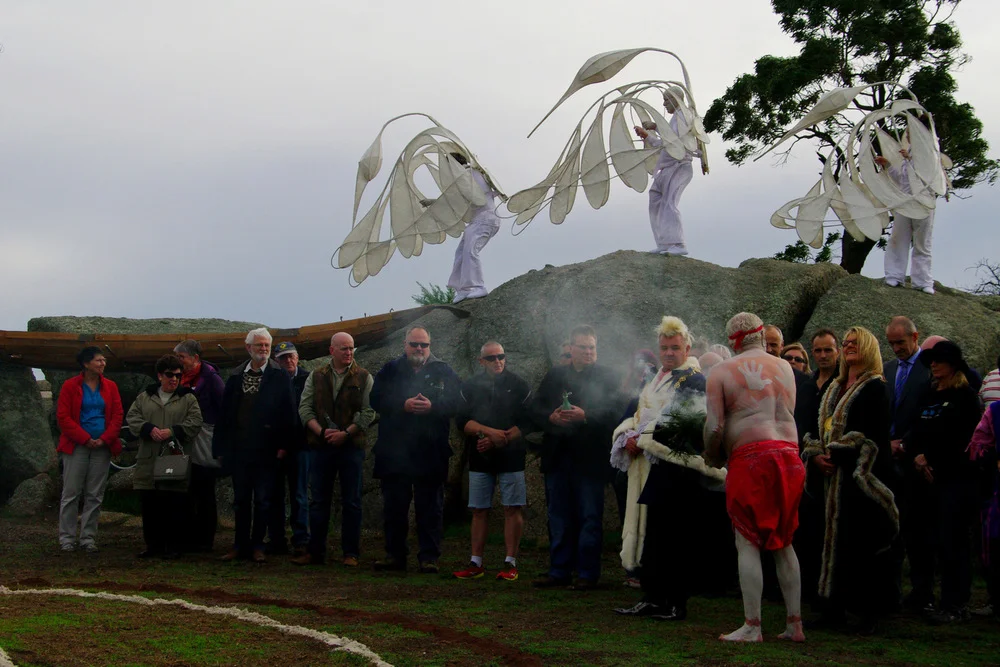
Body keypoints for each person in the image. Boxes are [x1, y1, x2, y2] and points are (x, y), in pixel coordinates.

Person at [613, 316, 728, 621]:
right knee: (655, 537)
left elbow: (686, 424)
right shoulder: (658, 378)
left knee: (677, 540)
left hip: (680, 469)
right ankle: (652, 596)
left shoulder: (695, 379)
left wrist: (644, 438)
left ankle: (676, 602)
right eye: (664, 347)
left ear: (686, 347)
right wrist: (627, 435)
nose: (668, 352)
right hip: (655, 468)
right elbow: (638, 414)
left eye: (674, 347)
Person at [704, 312, 806, 643]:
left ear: (733, 339)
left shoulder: (721, 370)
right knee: (784, 541)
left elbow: (715, 426)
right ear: (761, 336)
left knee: (746, 540)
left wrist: (712, 454)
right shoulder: (786, 368)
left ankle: (752, 625)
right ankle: (794, 624)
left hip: (751, 458)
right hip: (790, 456)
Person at [802, 327, 899, 633]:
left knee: (859, 544)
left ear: (868, 347)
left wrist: (839, 453)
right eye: (846, 344)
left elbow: (873, 434)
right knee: (829, 543)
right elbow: (815, 425)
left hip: (859, 479)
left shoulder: (875, 387)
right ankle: (833, 609)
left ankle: (865, 613)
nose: (849, 347)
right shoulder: (835, 384)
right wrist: (815, 453)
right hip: (831, 479)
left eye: (855, 343)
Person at [531, 324, 624, 590]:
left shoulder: (608, 377)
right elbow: (535, 408)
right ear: (570, 348)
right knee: (558, 516)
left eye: (591, 347)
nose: (587, 352)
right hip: (558, 457)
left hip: (590, 460)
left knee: (589, 517)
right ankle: (559, 570)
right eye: (582, 347)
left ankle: (587, 574)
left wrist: (586, 417)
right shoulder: (555, 375)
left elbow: (616, 412)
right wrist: (550, 416)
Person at [901, 340, 982, 623]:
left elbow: (966, 441)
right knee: (922, 540)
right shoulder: (928, 392)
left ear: (953, 364)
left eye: (939, 360)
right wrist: (916, 455)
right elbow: (915, 430)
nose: (933, 364)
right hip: (923, 479)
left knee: (953, 542)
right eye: (931, 360)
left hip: (954, 480)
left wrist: (931, 458)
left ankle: (955, 604)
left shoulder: (966, 396)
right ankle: (923, 596)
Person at [370, 326, 462, 573]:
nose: (419, 349)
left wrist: (433, 406)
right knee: (394, 507)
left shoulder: (444, 371)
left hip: (431, 451)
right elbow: (374, 399)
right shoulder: (390, 369)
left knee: (430, 508)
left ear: (430, 346)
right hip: (395, 451)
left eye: (424, 345)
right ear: (405, 345)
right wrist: (403, 404)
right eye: (414, 344)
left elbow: (458, 402)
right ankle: (394, 556)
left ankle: (429, 558)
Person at [213, 328, 297, 564]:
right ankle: (239, 545)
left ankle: (258, 546)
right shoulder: (236, 375)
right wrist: (219, 448)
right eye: (259, 345)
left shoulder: (279, 375)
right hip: (239, 449)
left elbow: (288, 412)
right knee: (240, 500)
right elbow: (225, 415)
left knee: (263, 500)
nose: (263, 350)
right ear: (248, 347)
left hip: (267, 449)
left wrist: (284, 445)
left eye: (266, 346)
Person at [293, 332, 375, 567]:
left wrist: (346, 433)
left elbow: (370, 412)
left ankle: (351, 553)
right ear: (332, 351)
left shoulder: (364, 377)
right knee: (318, 501)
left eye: (351, 348)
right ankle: (315, 552)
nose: (349, 352)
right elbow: (304, 408)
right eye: (344, 348)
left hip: (351, 447)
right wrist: (321, 432)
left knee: (352, 501)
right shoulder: (316, 376)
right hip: (321, 447)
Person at [452, 341, 533, 581]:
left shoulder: (519, 385)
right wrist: (489, 434)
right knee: (479, 509)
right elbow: (461, 422)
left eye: (501, 356)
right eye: (491, 358)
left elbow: (529, 421)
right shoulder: (470, 386)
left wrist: (503, 439)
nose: (497, 361)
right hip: (480, 454)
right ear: (481, 361)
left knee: (512, 507)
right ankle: (475, 562)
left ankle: (511, 562)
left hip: (512, 456)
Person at [127, 354, 203, 559]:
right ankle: (153, 545)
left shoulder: (188, 398)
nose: (174, 379)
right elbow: (132, 417)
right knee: (151, 505)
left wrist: (173, 431)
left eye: (178, 375)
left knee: (174, 503)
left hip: (174, 457)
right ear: (159, 375)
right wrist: (147, 428)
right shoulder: (145, 396)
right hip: (149, 459)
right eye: (170, 375)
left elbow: (195, 422)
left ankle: (174, 546)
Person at [883, 316, 934, 611]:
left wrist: (907, 443)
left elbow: (927, 413)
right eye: (891, 343)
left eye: (900, 343)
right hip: (889, 460)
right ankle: (891, 593)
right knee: (892, 531)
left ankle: (922, 593)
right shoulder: (888, 370)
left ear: (915, 337)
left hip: (914, 459)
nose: (896, 348)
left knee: (918, 532)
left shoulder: (929, 370)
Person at [55, 346, 124, 553]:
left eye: (103, 360)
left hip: (102, 446)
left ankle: (88, 538)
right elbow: (63, 417)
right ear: (86, 364)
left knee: (95, 494)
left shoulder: (111, 386)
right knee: (71, 492)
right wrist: (85, 439)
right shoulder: (70, 386)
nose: (102, 363)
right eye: (98, 360)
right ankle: (66, 538)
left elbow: (117, 415)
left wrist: (104, 438)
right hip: (77, 446)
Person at [633, 87, 699, 256]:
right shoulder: (675, 119)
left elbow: (675, 140)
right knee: (655, 199)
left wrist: (655, 126)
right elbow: (665, 144)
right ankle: (664, 241)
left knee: (669, 203)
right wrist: (647, 135)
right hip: (667, 168)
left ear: (676, 99)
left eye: (666, 100)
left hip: (680, 166)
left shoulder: (684, 116)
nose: (664, 104)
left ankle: (678, 243)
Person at [173, 339, 225, 553]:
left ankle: (205, 539)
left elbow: (224, 407)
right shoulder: (177, 378)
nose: (178, 362)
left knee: (204, 490)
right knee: (185, 489)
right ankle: (187, 536)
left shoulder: (211, 378)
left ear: (194, 358)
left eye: (181, 357)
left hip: (204, 439)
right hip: (183, 439)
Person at [265, 341, 311, 556]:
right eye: (283, 358)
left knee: (299, 495)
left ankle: (301, 539)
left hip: (301, 446)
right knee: (274, 494)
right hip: (275, 447)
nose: (288, 361)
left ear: (298, 357)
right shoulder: (271, 380)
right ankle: (276, 539)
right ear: (276, 360)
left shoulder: (309, 379)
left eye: (291, 356)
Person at [876, 147, 940, 294]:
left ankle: (923, 281)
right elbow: (903, 180)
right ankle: (894, 275)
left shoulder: (931, 152)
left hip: (924, 203)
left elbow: (932, 176)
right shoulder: (909, 152)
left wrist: (911, 159)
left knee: (922, 242)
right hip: (905, 202)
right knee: (898, 238)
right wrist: (888, 166)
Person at [442, 152, 503, 304]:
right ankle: (463, 288)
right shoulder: (462, 178)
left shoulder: (473, 174)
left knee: (470, 250)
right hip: (477, 220)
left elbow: (478, 196)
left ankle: (477, 286)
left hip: (486, 218)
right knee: (461, 252)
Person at [967, 395, 1000, 618]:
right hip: (996, 489)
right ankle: (996, 600)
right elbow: (977, 447)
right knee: (996, 541)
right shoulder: (995, 412)